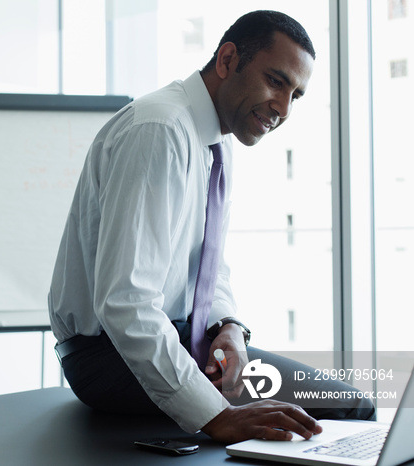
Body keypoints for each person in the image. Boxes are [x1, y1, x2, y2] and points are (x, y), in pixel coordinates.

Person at [48, 10, 375, 444]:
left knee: (349, 406)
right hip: (109, 359)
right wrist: (217, 416)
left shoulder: (216, 139)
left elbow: (209, 265)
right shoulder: (159, 130)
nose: (283, 108)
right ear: (226, 60)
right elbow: (126, 303)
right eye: (276, 81)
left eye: (296, 95)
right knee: (349, 409)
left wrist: (229, 326)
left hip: (184, 338)